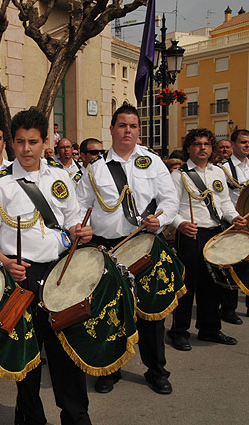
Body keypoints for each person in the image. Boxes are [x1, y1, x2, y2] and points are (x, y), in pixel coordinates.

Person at [0, 108, 92, 425]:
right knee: (26, 356)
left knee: (67, 352)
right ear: (12, 143)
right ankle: (29, 416)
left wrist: (80, 231)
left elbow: (72, 220)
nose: (26, 149)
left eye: (33, 142)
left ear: (45, 143)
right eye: (20, 142)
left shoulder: (60, 177)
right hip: (21, 277)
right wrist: (4, 262)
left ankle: (76, 415)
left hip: (59, 273)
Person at [77, 103, 179, 395]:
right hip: (106, 248)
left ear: (138, 131)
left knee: (151, 312)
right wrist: (79, 228)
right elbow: (80, 206)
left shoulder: (153, 162)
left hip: (143, 243)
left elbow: (169, 200)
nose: (128, 131)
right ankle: (110, 368)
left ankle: (156, 370)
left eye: (133, 126)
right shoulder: (95, 169)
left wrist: (158, 220)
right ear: (111, 130)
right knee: (109, 312)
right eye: (122, 125)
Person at [167, 128, 246, 350]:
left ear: (212, 148)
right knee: (187, 285)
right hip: (191, 234)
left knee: (213, 284)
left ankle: (209, 329)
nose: (202, 148)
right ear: (189, 148)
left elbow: (224, 203)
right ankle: (179, 331)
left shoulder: (218, 172)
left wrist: (235, 217)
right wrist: (181, 224)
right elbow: (170, 208)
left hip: (215, 232)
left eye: (206, 144)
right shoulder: (179, 175)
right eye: (197, 144)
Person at [218, 129, 249, 321]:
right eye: (243, 142)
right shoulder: (223, 169)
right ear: (234, 144)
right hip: (233, 221)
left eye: (248, 142)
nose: (247, 145)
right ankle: (228, 309)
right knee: (233, 264)